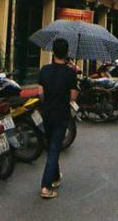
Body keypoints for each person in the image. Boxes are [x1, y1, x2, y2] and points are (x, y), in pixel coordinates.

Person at [37, 37, 79, 199]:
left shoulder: (44, 70)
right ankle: (45, 187)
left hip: (46, 114)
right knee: (54, 149)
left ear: (53, 52)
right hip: (61, 115)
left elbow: (41, 93)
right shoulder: (70, 73)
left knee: (52, 146)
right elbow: (73, 97)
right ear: (67, 53)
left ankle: (54, 177)